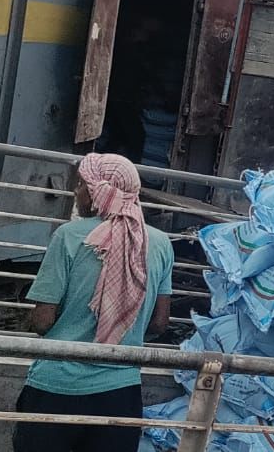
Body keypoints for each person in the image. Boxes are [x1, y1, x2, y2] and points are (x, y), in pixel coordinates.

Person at [14, 153, 174, 452]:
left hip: (56, 386)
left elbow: (42, 320)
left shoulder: (68, 236)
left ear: (98, 190)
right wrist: (124, 332)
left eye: (81, 185)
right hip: (121, 393)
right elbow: (159, 323)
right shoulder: (160, 243)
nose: (76, 192)